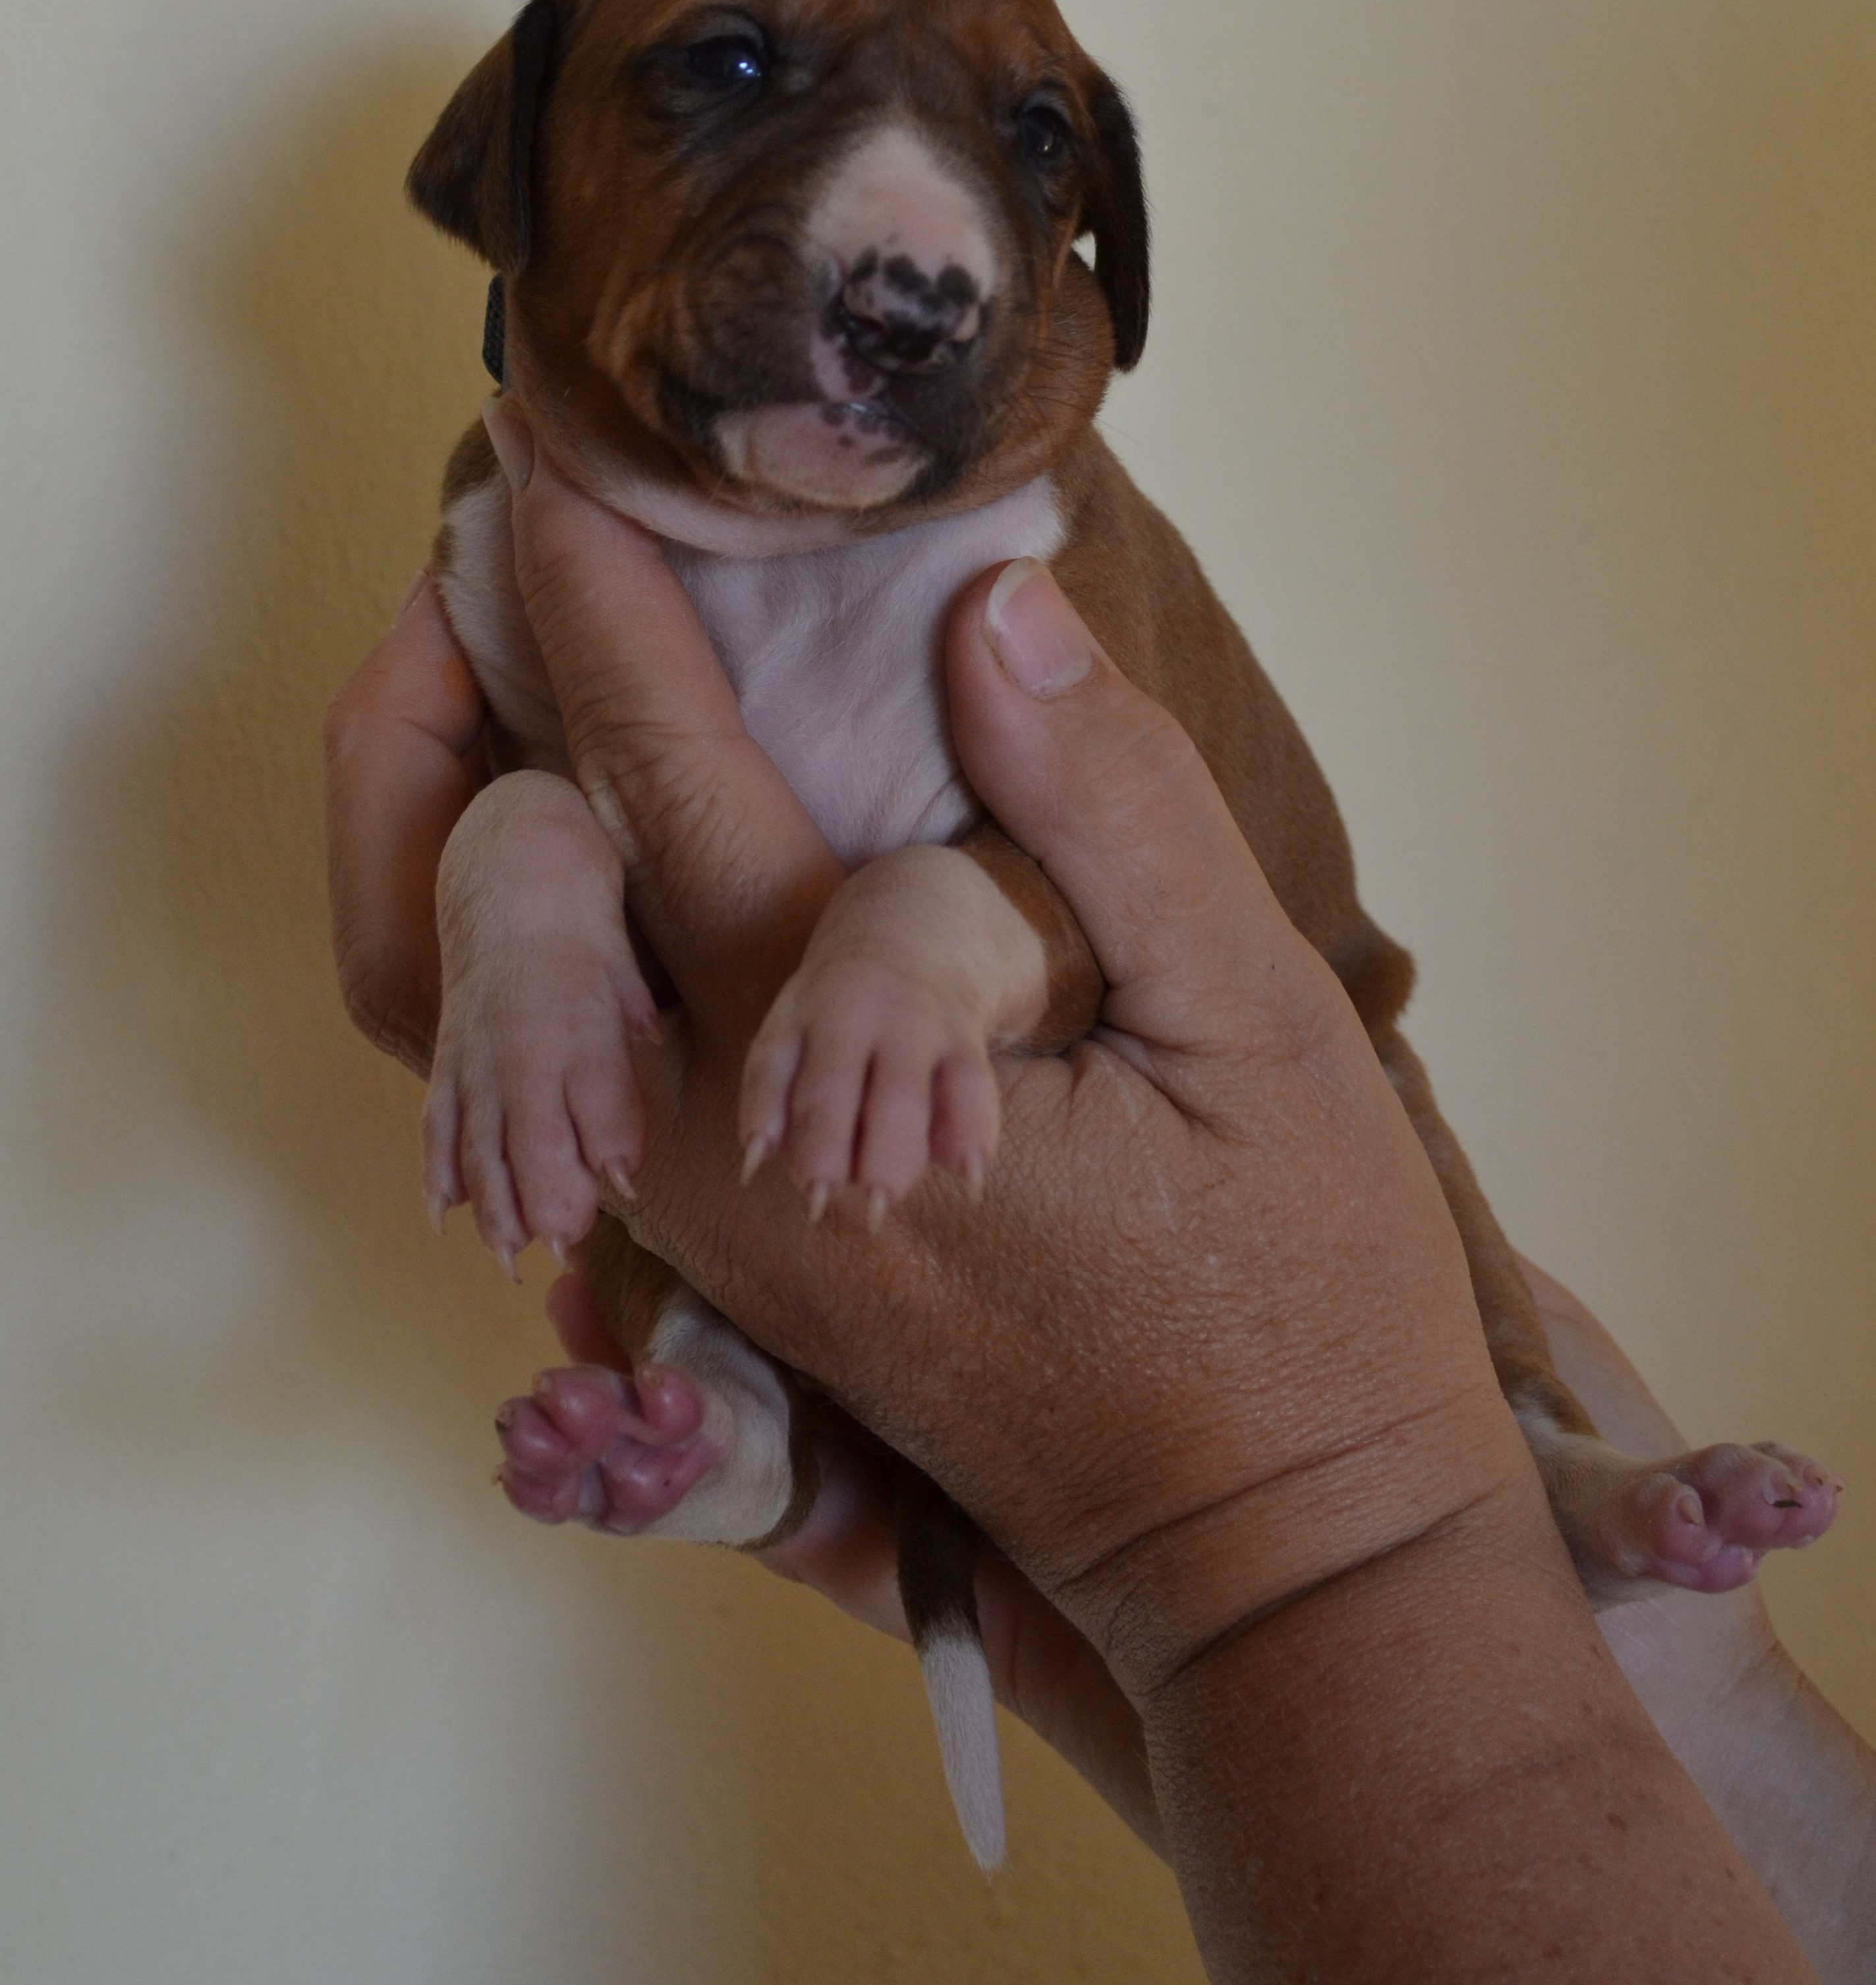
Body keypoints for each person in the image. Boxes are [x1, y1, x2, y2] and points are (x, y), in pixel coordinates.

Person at [326, 403, 1875, 1981]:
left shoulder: (1013, 525)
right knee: (670, 1149)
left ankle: (1540, 1455)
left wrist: (1303, 1546)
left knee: (1359, 1123)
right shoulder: (538, 517)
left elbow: (1077, 904)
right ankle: (728, 1432)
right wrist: (518, 902)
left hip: (1124, 1103)